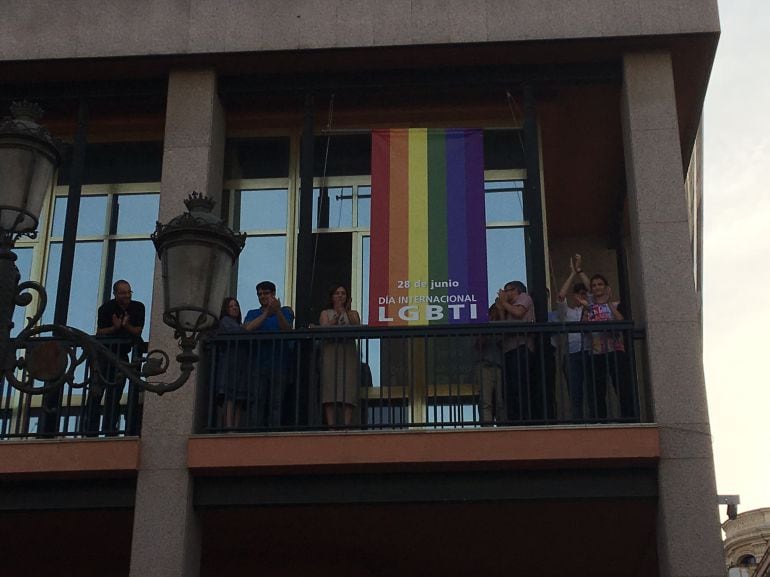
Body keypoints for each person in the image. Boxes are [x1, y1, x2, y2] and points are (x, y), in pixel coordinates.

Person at [87, 279, 145, 435]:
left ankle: (109, 430)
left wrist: (126, 326)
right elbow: (100, 332)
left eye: (128, 292)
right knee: (96, 392)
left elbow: (138, 331)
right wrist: (115, 327)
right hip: (103, 355)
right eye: (123, 293)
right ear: (115, 294)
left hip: (121, 355)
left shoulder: (137, 307)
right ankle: (90, 432)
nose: (127, 296)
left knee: (115, 393)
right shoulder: (106, 308)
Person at [575, 272, 634, 420]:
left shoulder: (615, 304)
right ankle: (600, 420)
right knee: (597, 390)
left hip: (616, 350)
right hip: (596, 352)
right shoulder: (589, 307)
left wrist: (608, 304)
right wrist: (587, 311)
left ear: (606, 287)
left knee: (621, 386)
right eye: (594, 285)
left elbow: (621, 321)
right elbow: (583, 327)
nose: (597, 287)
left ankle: (628, 418)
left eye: (600, 284)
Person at [243, 281, 294, 428]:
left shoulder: (284, 312)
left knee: (276, 402)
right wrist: (266, 313)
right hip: (257, 365)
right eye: (259, 294)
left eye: (266, 293)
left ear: (273, 294)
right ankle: (255, 434)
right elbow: (248, 328)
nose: (262, 297)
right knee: (257, 401)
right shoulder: (253, 313)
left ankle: (274, 431)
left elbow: (287, 330)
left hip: (279, 364)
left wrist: (277, 311)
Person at [318, 285, 361, 427]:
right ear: (332, 296)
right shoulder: (325, 313)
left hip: (347, 353)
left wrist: (345, 311)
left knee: (348, 387)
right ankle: (331, 425)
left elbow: (356, 325)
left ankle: (347, 424)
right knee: (330, 387)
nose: (340, 296)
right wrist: (336, 317)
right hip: (331, 352)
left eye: (343, 293)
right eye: (337, 293)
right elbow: (324, 329)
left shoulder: (352, 313)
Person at [495, 280, 537, 422]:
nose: (505, 293)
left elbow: (519, 313)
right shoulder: (509, 306)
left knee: (520, 385)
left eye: (508, 290)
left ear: (516, 290)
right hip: (509, 349)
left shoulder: (524, 297)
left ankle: (524, 418)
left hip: (522, 348)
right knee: (510, 388)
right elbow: (505, 327)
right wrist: (501, 309)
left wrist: (504, 304)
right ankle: (514, 419)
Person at [556, 255, 591, 420]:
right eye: (579, 293)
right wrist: (571, 274)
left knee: (594, 388)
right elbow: (561, 296)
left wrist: (580, 271)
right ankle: (578, 421)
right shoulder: (567, 312)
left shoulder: (591, 308)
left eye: (584, 293)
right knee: (575, 391)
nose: (582, 295)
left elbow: (593, 289)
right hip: (572, 354)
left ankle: (595, 420)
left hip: (590, 351)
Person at [215, 297, 249, 429]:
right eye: (231, 306)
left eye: (236, 306)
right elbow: (239, 332)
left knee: (239, 396)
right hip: (230, 363)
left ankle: (236, 426)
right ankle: (229, 426)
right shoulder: (225, 322)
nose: (234, 308)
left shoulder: (237, 324)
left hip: (240, 363)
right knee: (230, 395)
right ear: (225, 309)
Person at [474, 304, 505, 424]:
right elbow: (479, 345)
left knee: (500, 400)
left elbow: (504, 339)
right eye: (493, 311)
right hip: (485, 365)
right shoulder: (483, 326)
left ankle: (503, 426)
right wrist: (487, 328)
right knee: (486, 400)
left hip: (499, 366)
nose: (494, 314)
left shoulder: (501, 327)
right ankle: (487, 426)